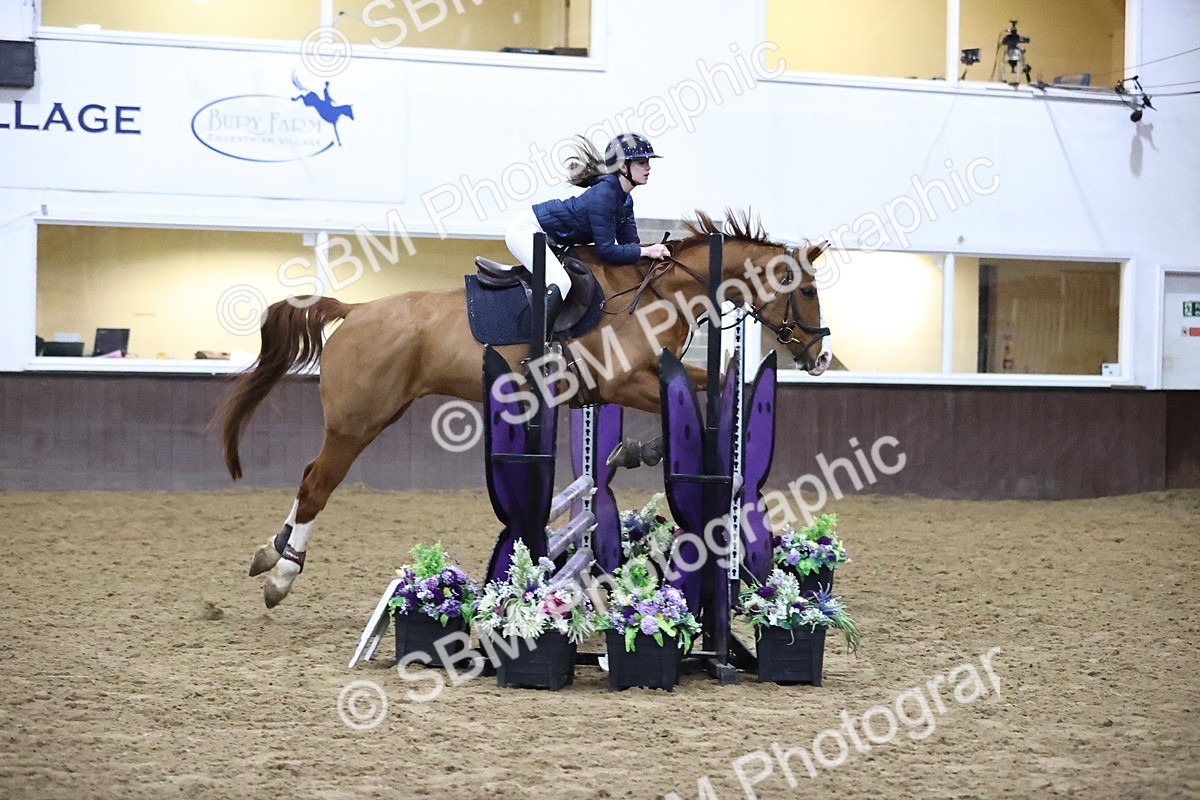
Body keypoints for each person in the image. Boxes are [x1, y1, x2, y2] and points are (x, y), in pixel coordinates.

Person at [504, 132, 672, 329]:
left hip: (547, 237)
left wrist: (653, 256)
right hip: (525, 231)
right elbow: (607, 251)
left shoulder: (625, 199)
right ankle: (536, 344)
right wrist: (647, 250)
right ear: (623, 166)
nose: (648, 167)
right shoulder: (604, 195)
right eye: (642, 162)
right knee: (561, 282)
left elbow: (630, 246)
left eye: (647, 162)